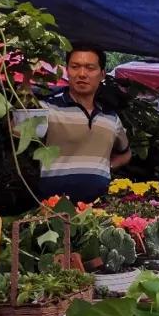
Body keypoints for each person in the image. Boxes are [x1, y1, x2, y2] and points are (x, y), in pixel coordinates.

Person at [38, 46, 131, 203]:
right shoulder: (46, 108)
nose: (82, 74)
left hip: (101, 210)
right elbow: (17, 132)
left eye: (90, 68)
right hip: (54, 209)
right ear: (67, 70)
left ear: (102, 74)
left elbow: (125, 153)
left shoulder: (110, 118)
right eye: (75, 67)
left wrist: (105, 169)